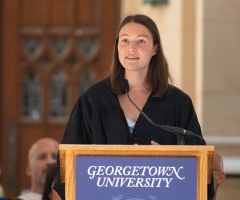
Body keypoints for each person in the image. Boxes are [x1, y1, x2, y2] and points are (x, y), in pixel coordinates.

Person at [53, 14, 214, 199]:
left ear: (155, 48)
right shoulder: (94, 100)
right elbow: (68, 166)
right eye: (125, 40)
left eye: (141, 41)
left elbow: (198, 168)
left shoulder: (178, 103)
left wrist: (170, 158)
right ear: (117, 47)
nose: (131, 48)